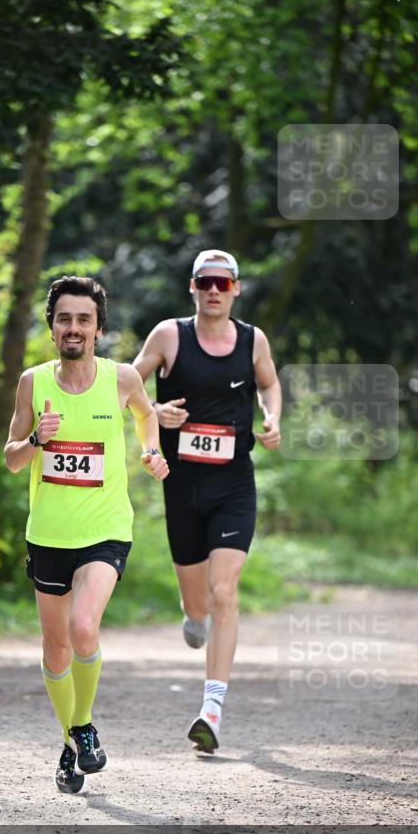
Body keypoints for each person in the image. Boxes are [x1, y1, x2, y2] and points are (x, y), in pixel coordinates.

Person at [4, 276, 168, 794]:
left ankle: (84, 723)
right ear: (52, 327)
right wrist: (35, 440)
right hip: (48, 534)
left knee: (82, 627)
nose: (73, 328)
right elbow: (11, 460)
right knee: (55, 652)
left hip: (105, 529)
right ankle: (74, 740)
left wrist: (152, 451)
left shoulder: (120, 379)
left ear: (98, 328)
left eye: (83, 319)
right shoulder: (34, 382)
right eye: (64, 319)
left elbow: (147, 416)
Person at [133, 249, 281, 753]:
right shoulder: (168, 336)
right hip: (182, 486)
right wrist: (154, 409)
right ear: (192, 287)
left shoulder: (252, 340)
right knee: (198, 604)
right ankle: (191, 617)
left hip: (235, 484)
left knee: (224, 593)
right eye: (205, 282)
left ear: (236, 288)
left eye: (223, 283)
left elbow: (270, 384)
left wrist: (272, 417)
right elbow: (124, 390)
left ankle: (211, 710)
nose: (214, 290)